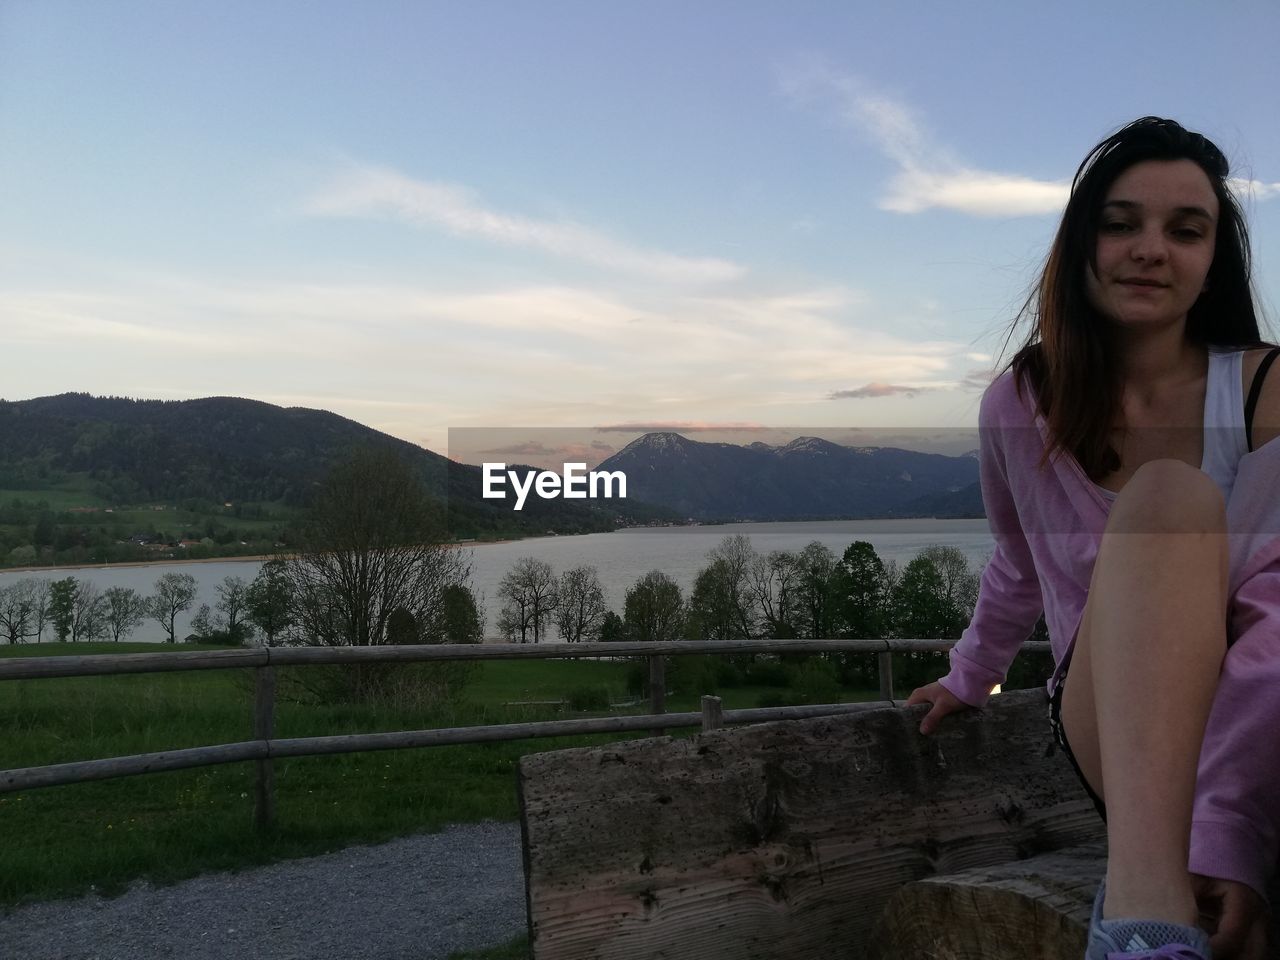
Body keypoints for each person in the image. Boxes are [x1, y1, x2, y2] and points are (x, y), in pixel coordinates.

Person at [905, 117, 1280, 960]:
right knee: (1169, 500)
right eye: (1121, 223)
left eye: (1186, 230)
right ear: (1082, 245)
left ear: (1214, 259)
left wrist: (1230, 821)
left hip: (1267, 706)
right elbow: (1019, 557)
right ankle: (1143, 928)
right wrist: (972, 676)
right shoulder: (1021, 402)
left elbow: (1277, 607)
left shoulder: (1263, 390)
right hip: (1119, 714)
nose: (1151, 248)